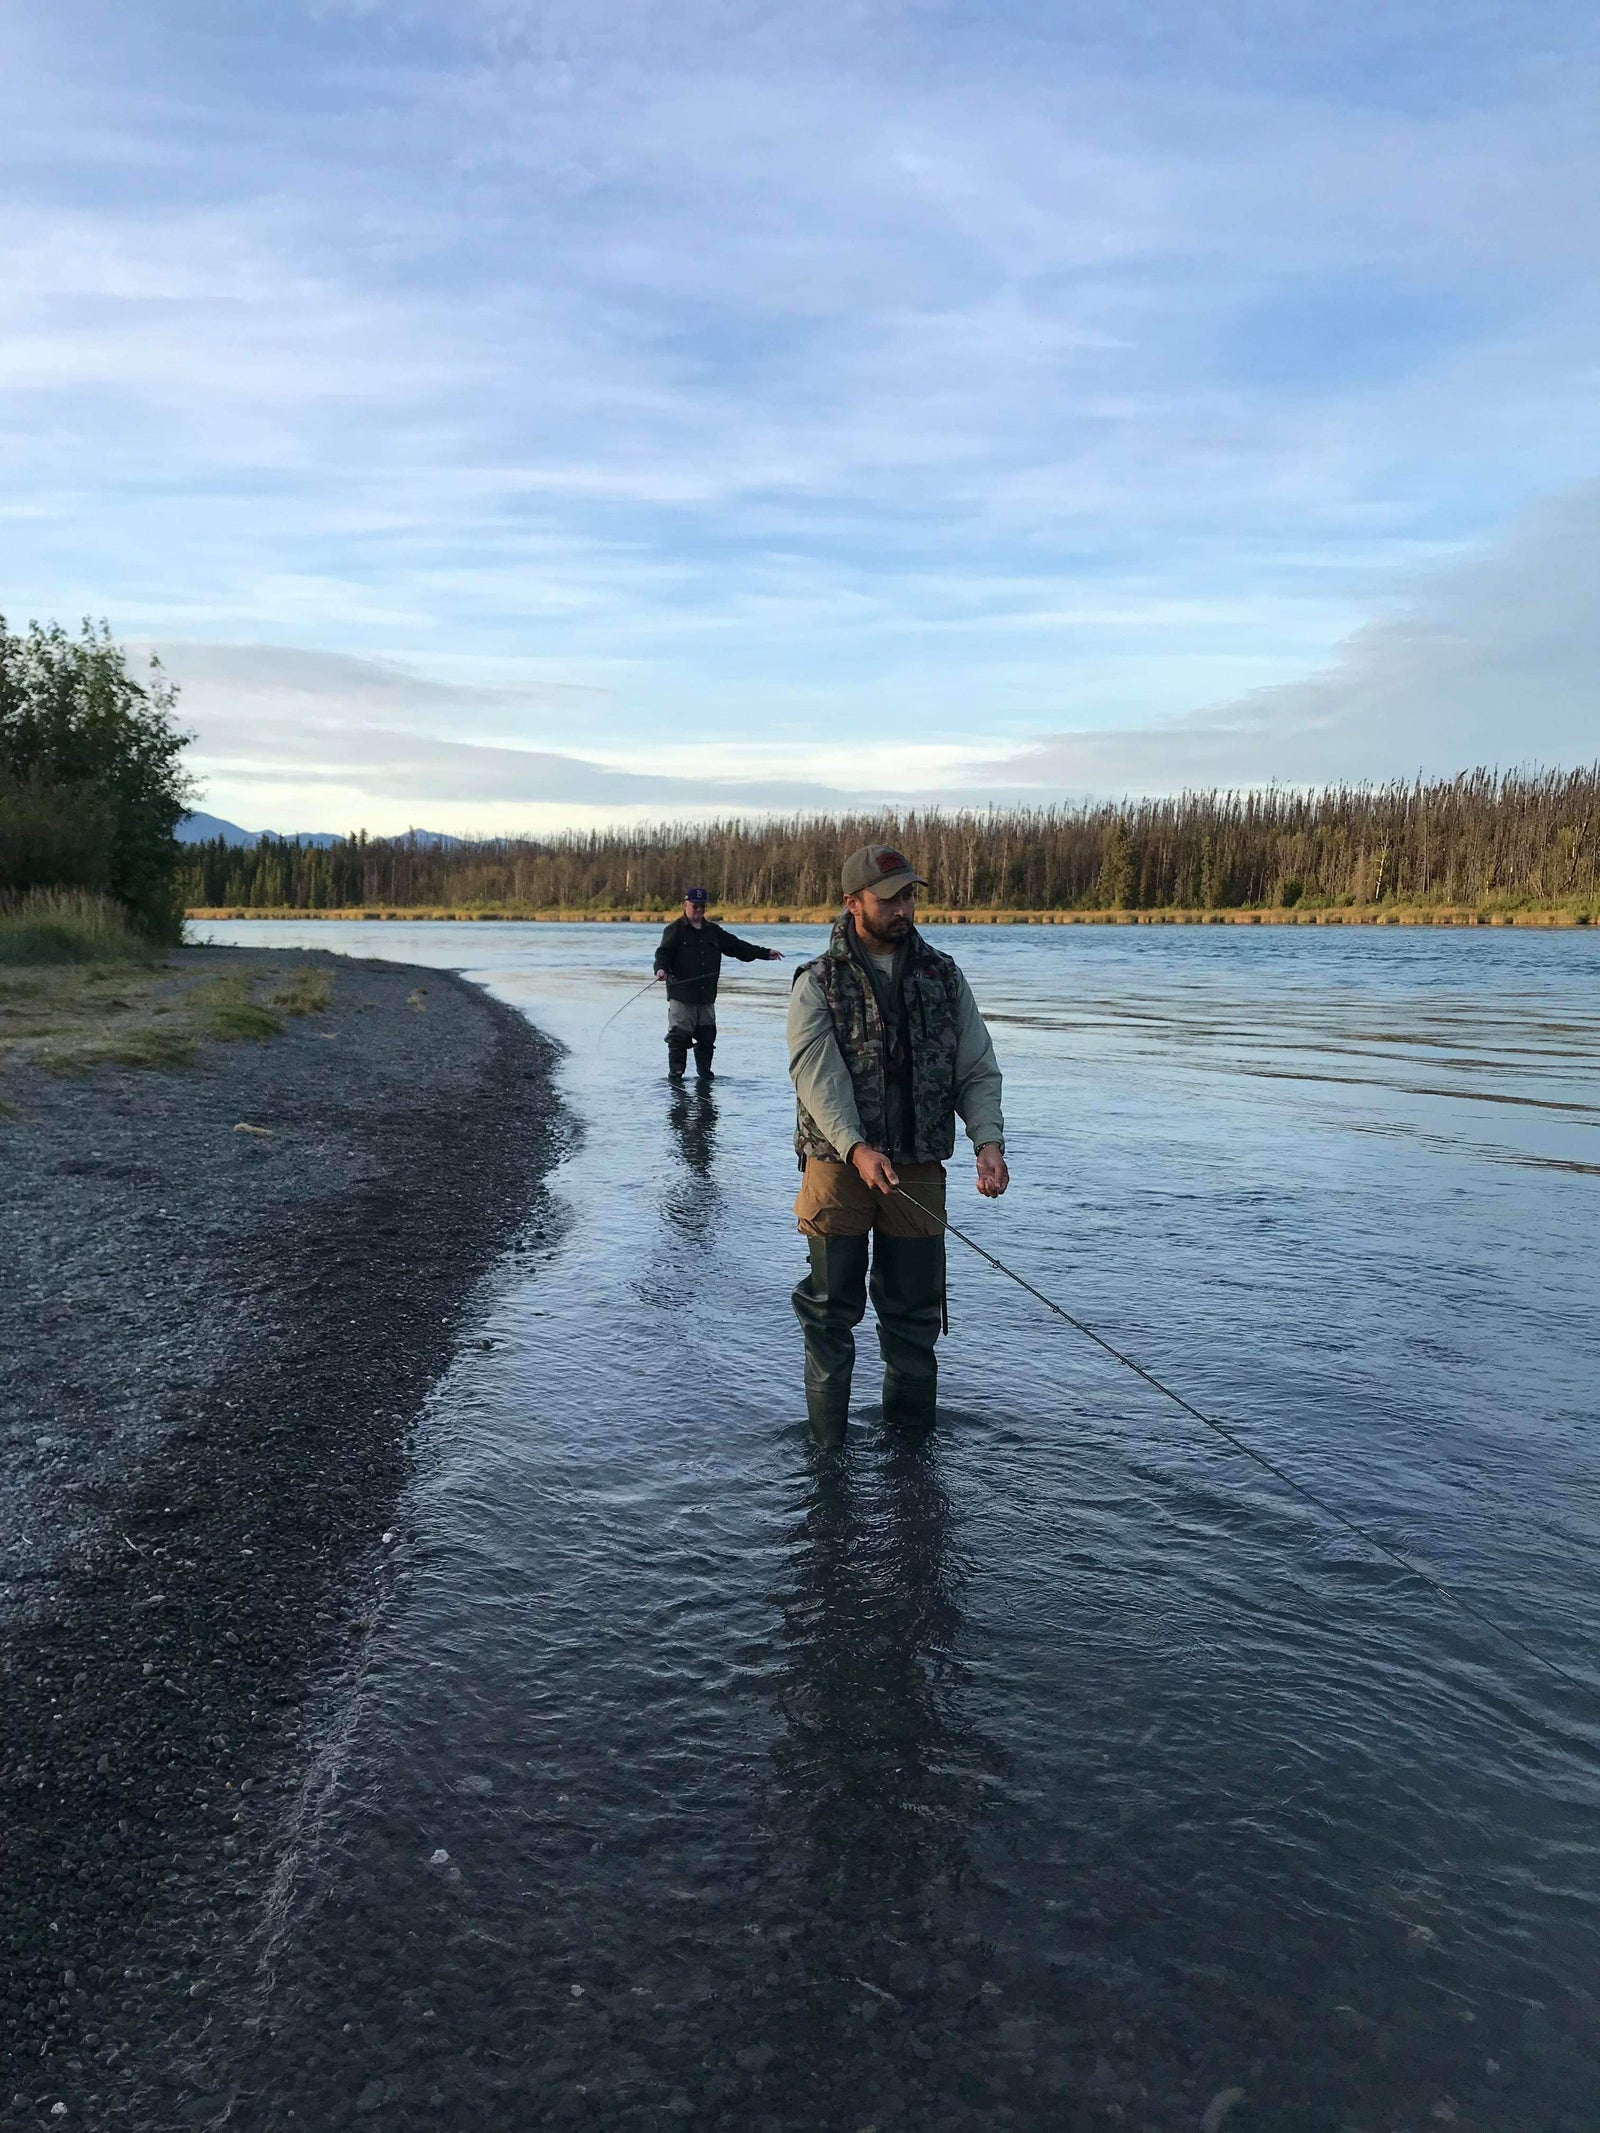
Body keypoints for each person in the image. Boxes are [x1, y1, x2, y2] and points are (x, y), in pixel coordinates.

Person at [787, 844, 1008, 1438]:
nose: (902, 908)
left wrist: (988, 1142)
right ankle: (827, 1462)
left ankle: (911, 1462)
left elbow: (976, 1067)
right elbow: (816, 1074)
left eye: (909, 895)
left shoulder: (944, 975)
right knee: (832, 1316)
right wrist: (856, 1146)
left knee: (913, 1320)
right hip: (837, 1169)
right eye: (889, 899)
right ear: (852, 903)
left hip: (917, 1167)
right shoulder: (817, 982)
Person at [654, 887, 783, 1079]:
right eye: (695, 906)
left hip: (707, 996)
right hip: (682, 995)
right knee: (679, 1039)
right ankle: (676, 1076)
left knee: (707, 1038)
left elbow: (737, 947)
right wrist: (660, 969)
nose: (698, 910)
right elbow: (662, 953)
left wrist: (764, 953)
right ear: (685, 905)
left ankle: (705, 1076)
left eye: (702, 906)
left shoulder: (713, 931)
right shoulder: (674, 930)